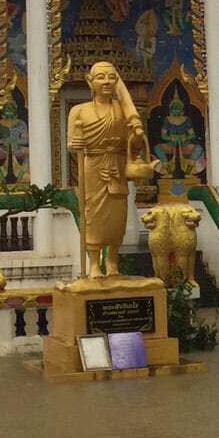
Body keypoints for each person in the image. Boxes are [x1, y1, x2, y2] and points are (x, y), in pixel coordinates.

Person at [67, 61, 153, 278]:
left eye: (111, 77)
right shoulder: (79, 111)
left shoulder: (122, 110)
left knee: (118, 215)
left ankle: (113, 261)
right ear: (90, 81)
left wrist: (137, 136)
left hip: (117, 163)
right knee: (93, 215)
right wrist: (76, 143)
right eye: (100, 77)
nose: (106, 82)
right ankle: (94, 264)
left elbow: (132, 146)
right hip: (93, 165)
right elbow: (71, 143)